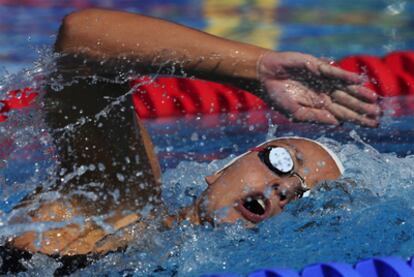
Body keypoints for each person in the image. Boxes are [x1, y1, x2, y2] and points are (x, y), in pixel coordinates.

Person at [2, 8, 380, 274]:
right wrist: (254, 69)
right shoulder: (121, 204)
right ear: (217, 171)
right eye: (283, 160)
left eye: (305, 198)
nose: (286, 189)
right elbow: (83, 36)